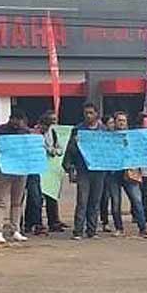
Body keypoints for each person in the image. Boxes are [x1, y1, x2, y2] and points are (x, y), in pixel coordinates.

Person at [63, 102, 108, 240]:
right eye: (86, 113)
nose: (88, 116)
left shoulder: (104, 130)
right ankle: (78, 230)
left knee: (95, 201)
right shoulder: (78, 130)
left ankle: (92, 230)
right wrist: (70, 168)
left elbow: (109, 150)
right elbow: (70, 151)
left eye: (91, 113)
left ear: (96, 114)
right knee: (82, 200)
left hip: (99, 169)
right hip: (83, 169)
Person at [0, 108, 31, 244]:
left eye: (21, 121)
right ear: (11, 118)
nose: (19, 123)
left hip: (20, 170)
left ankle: (16, 230)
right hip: (4, 170)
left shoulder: (25, 132)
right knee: (1, 202)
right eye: (17, 120)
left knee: (17, 202)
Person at [108, 111, 147, 238]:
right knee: (116, 202)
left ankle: (143, 228)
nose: (121, 122)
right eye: (119, 120)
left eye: (123, 120)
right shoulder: (108, 138)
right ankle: (119, 228)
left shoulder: (133, 137)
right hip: (114, 173)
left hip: (130, 172)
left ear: (127, 123)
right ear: (115, 122)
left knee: (137, 200)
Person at [24, 109, 64, 236]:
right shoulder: (34, 133)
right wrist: (47, 149)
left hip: (50, 169)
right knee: (35, 197)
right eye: (51, 121)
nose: (53, 123)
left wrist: (55, 151)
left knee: (51, 196)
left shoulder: (54, 132)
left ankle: (54, 222)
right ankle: (32, 223)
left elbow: (60, 148)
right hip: (35, 168)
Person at [99, 113, 120, 232]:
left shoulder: (118, 136)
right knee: (104, 197)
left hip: (116, 171)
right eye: (111, 123)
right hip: (105, 171)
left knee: (114, 198)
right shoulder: (102, 138)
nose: (113, 125)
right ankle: (104, 221)